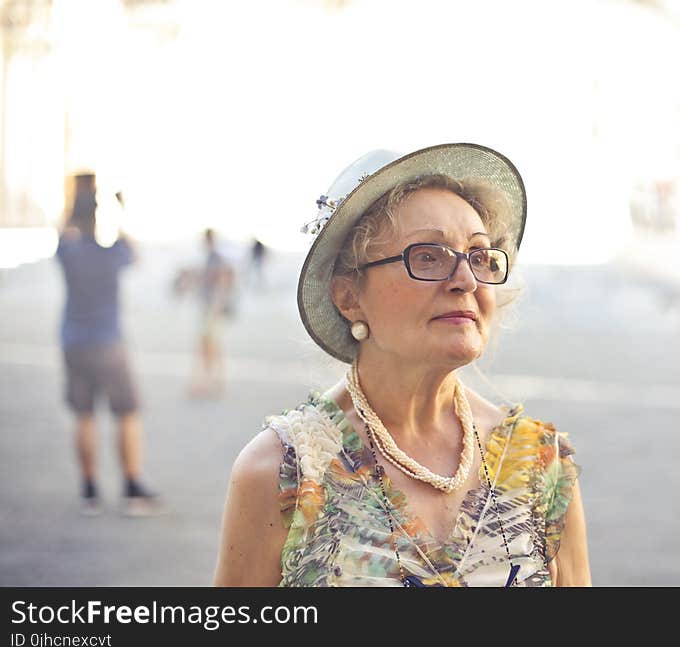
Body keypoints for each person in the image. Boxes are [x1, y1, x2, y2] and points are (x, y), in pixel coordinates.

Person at [214, 144, 591, 587]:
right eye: (428, 256)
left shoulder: (539, 463)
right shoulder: (286, 472)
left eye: (479, 255)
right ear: (349, 297)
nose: (467, 281)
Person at [55, 172, 161, 516]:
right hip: (109, 344)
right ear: (98, 217)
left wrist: (75, 203)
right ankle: (132, 487)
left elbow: (62, 230)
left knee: (84, 415)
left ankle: (89, 491)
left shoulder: (69, 252)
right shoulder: (111, 254)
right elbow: (134, 252)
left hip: (73, 342)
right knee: (126, 413)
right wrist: (121, 210)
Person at [187, 228, 235, 398]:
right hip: (209, 309)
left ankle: (209, 382)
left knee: (208, 346)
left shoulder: (215, 259)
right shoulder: (212, 258)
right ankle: (214, 382)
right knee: (211, 346)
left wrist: (215, 308)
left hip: (212, 310)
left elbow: (221, 285)